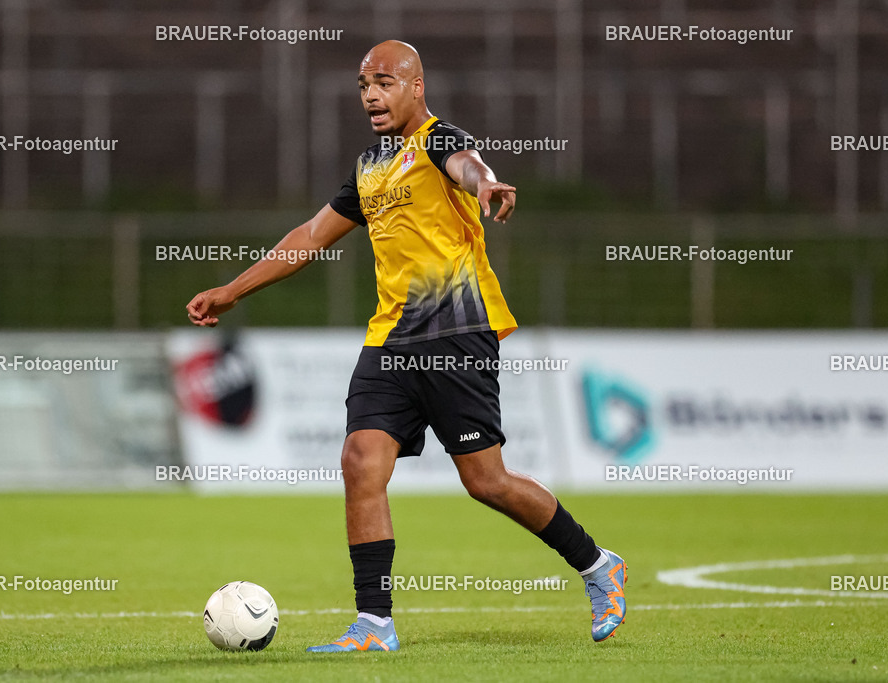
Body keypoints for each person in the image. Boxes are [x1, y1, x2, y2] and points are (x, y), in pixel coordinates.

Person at [186, 40, 626, 652]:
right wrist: (234, 290)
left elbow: (468, 164)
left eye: (385, 82)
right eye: (364, 85)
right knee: (360, 461)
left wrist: (486, 185)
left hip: (456, 335)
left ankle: (598, 565)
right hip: (390, 341)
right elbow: (310, 235)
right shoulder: (370, 166)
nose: (371, 94)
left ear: (417, 87)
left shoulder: (438, 140)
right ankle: (374, 623)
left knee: (487, 482)